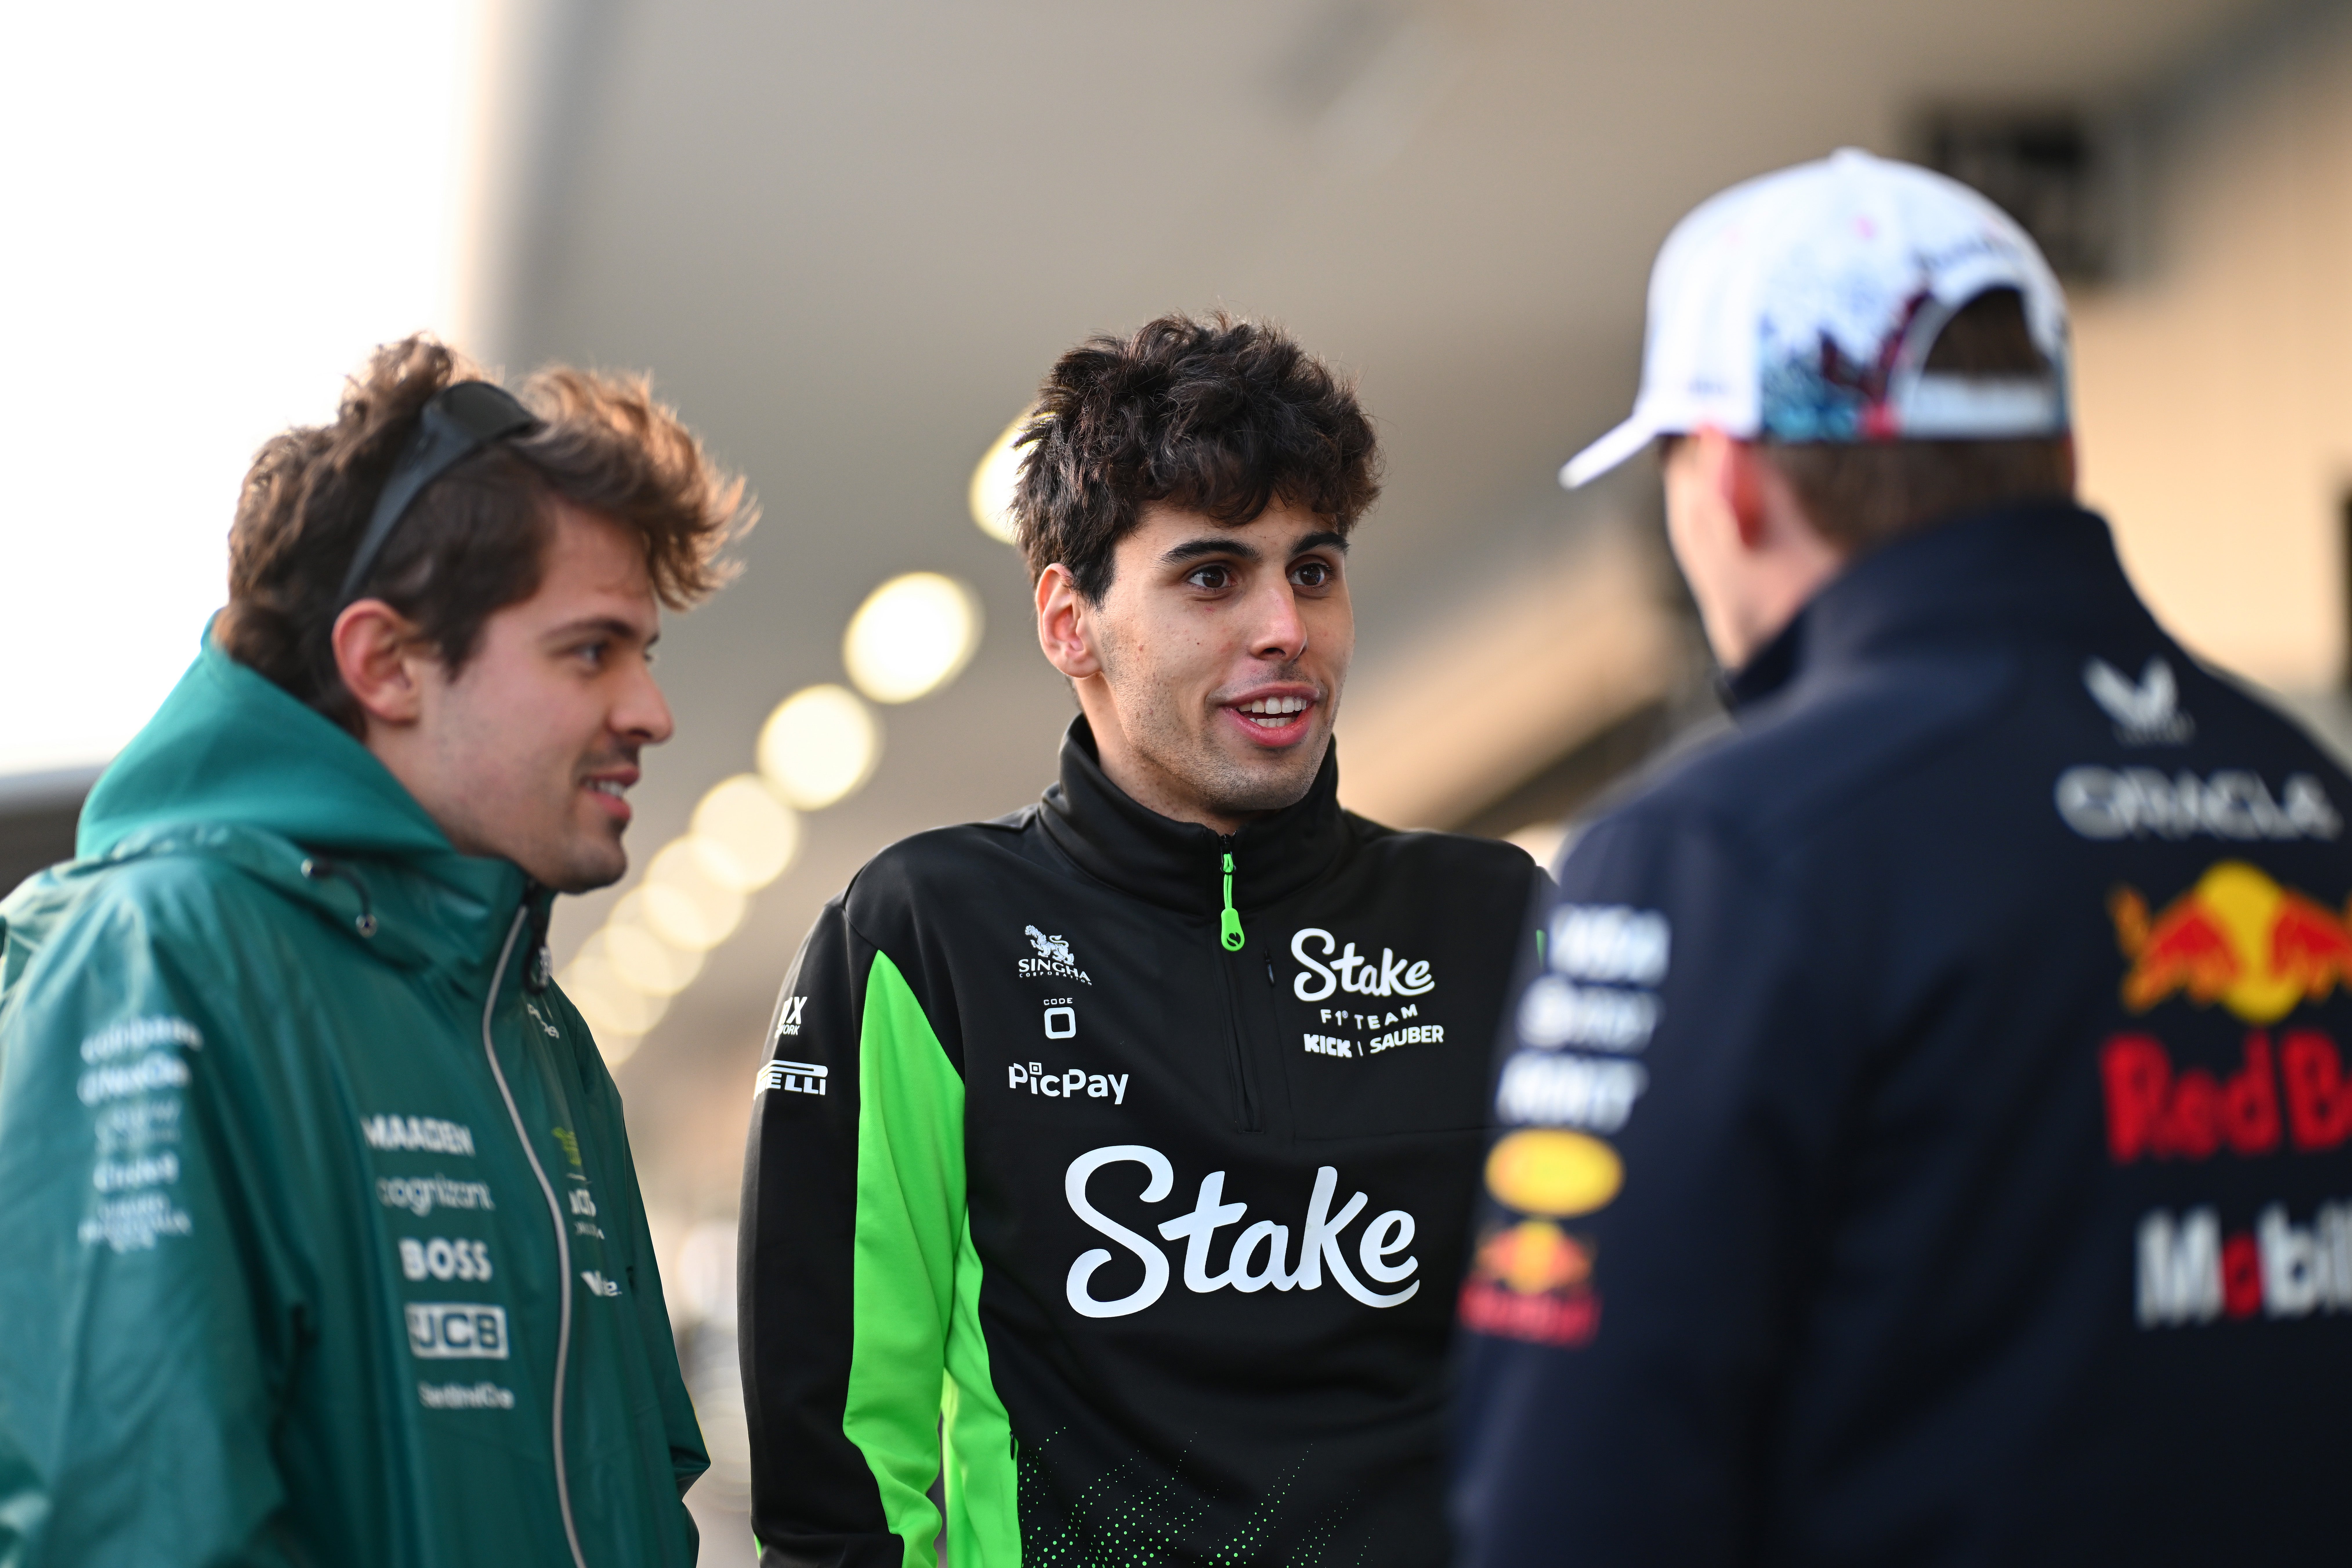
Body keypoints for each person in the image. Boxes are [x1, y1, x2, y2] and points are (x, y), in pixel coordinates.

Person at [1451, 147, 2352, 1564]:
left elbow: (1574, 1493)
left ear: (1730, 483)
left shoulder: (1716, 851)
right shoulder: (2310, 798)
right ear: (2056, 451)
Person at [740, 313, 1546, 1566]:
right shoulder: (927, 933)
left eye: (1316, 568)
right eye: (1214, 575)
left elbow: (1614, 1361)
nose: (1286, 625)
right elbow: (843, 1452)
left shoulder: (1495, 919)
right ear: (1072, 621)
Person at [0, 336, 751, 1567]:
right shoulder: (161, 963)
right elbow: (128, 1523)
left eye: (644, 656)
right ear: (387, 662)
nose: (649, 712)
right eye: (590, 650)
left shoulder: (534, 1032)